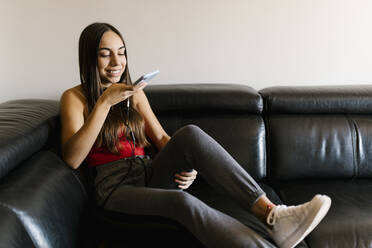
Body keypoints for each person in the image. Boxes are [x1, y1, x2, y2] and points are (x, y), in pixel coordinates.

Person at [60, 22, 331, 248]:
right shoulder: (75, 98)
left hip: (149, 172)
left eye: (121, 52)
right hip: (116, 187)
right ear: (89, 57)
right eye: (105, 54)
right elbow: (73, 158)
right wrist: (105, 103)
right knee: (182, 201)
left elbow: (163, 139)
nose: (116, 62)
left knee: (189, 134)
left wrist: (188, 165)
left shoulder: (135, 93)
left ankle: (273, 214)